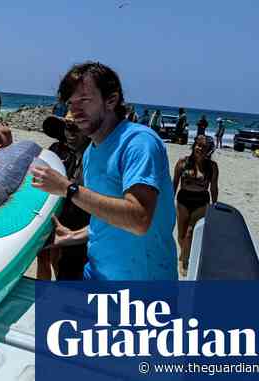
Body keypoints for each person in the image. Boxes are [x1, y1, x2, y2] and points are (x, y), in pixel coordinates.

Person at [31, 62, 177, 280]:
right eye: (71, 103)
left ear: (111, 100)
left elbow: (139, 219)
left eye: (84, 100)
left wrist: (68, 188)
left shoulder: (139, 142)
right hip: (95, 275)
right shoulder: (91, 153)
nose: (75, 111)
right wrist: (74, 236)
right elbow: (107, 216)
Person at [37, 112, 91, 280]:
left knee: (63, 263)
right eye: (68, 128)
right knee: (44, 256)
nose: (70, 134)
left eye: (76, 128)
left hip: (79, 223)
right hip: (54, 212)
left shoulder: (91, 157)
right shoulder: (55, 150)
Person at [173, 135, 219, 276]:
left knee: (190, 232)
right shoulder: (182, 162)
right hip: (183, 200)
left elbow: (214, 188)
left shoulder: (212, 167)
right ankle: (185, 252)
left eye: (204, 147)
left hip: (201, 201)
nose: (200, 148)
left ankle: (184, 260)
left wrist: (215, 205)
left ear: (209, 150)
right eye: (198, 145)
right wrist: (169, 201)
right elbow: (174, 183)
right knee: (181, 235)